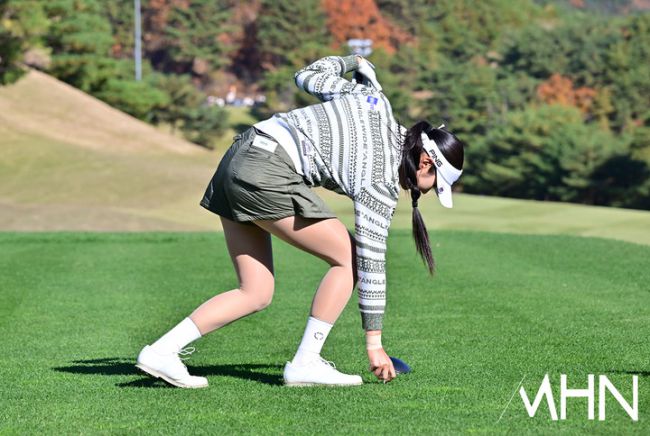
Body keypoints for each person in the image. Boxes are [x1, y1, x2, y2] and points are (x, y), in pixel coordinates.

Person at [135, 54, 465, 388]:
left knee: (255, 292)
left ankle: (162, 351)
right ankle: (306, 362)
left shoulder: (373, 102)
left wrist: (351, 61)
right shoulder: (380, 183)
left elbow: (308, 75)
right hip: (267, 170)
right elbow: (371, 262)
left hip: (238, 157)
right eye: (434, 185)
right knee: (351, 257)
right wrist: (374, 344)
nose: (427, 192)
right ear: (426, 162)